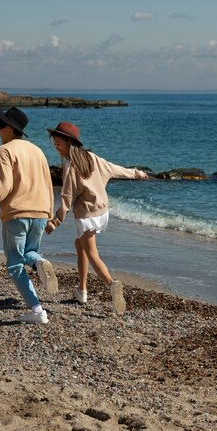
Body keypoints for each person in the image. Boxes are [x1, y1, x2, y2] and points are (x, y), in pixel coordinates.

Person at [45, 121, 148, 315]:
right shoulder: (92, 158)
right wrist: (136, 173)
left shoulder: (71, 165)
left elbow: (67, 198)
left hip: (86, 216)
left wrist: (55, 222)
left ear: (69, 142)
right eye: (55, 144)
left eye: (58, 144)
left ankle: (112, 285)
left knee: (92, 254)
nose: (56, 148)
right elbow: (114, 169)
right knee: (80, 245)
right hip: (102, 213)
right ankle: (82, 290)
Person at [0, 107, 58, 325]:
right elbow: (49, 185)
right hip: (40, 212)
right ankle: (40, 263)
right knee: (29, 252)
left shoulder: (5, 151)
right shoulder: (38, 151)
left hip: (16, 214)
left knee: (15, 264)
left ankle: (37, 310)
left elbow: (1, 189)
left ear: (8, 128)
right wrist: (50, 214)